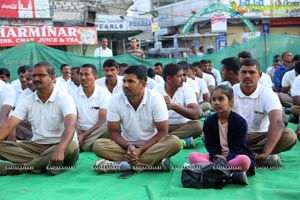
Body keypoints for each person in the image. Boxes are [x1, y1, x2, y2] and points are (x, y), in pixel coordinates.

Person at [93, 65, 181, 173]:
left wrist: (141, 150)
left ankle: (124, 165)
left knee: (175, 142)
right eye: (124, 81)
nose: (125, 85)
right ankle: (154, 163)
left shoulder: (156, 98)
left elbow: (163, 131)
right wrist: (129, 146)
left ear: (143, 84)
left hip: (152, 145)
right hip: (126, 147)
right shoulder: (115, 100)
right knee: (98, 145)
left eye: (130, 81)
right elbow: (113, 132)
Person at [0, 61, 79, 176]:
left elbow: (70, 127)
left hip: (61, 145)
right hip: (37, 146)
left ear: (52, 78)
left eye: (41, 75)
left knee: (70, 146)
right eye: (34, 76)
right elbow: (8, 127)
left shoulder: (64, 98)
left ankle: (20, 168)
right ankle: (46, 164)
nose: (36, 79)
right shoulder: (27, 100)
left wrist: (60, 150)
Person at [232, 58, 296, 167]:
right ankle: (250, 158)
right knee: (207, 133)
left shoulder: (268, 93)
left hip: (260, 138)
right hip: (235, 137)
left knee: (289, 136)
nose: (247, 75)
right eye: (244, 72)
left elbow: (277, 122)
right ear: (238, 74)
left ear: (260, 75)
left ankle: (243, 157)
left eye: (252, 72)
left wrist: (266, 152)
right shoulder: (230, 91)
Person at [188, 85, 255, 175]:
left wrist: (225, 159)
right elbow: (210, 146)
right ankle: (228, 173)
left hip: (233, 158)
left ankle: (213, 170)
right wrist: (216, 157)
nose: (216, 103)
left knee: (244, 161)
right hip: (216, 158)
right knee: (192, 156)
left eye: (221, 99)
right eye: (214, 99)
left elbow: (239, 148)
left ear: (231, 102)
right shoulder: (209, 122)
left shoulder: (240, 122)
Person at [153, 63, 203, 147]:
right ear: (169, 78)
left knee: (198, 126)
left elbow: (196, 114)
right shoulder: (156, 91)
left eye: (183, 75)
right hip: (163, 127)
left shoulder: (186, 88)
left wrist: (173, 106)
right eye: (179, 76)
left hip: (182, 126)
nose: (183, 79)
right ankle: (178, 141)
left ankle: (162, 140)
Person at [71, 64, 110, 152]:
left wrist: (84, 136)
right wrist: (77, 133)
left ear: (95, 78)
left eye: (87, 74)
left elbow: (102, 120)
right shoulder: (73, 94)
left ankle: (81, 145)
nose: (83, 78)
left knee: (108, 126)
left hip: (97, 130)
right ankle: (89, 145)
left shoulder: (104, 94)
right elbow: (73, 118)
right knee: (65, 125)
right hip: (80, 130)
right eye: (81, 74)